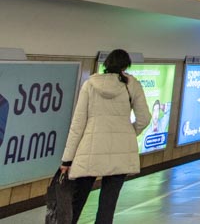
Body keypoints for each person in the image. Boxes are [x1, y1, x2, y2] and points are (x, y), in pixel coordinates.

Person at [60, 49, 152, 224]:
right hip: (121, 152)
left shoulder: (90, 84)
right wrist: (129, 132)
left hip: (91, 150)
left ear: (106, 64)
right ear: (126, 65)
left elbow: (77, 125)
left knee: (76, 201)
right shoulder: (132, 85)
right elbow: (144, 118)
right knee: (107, 206)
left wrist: (67, 160)